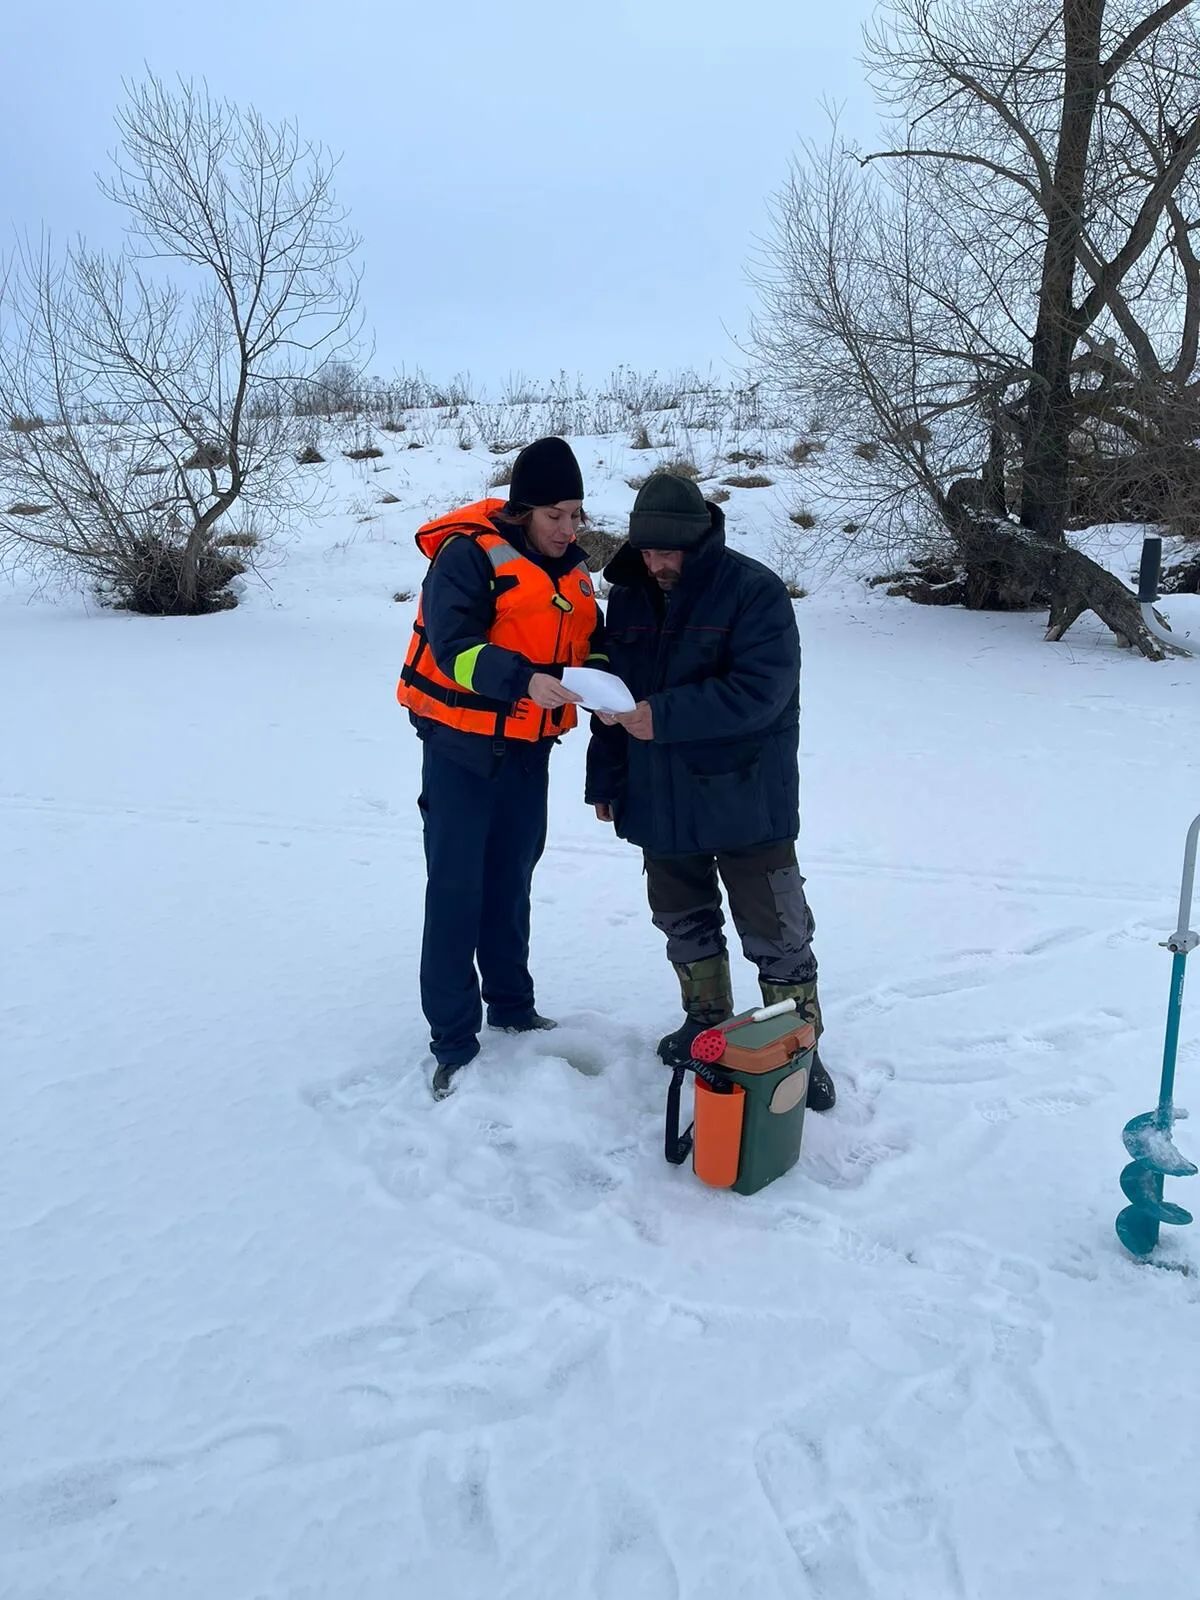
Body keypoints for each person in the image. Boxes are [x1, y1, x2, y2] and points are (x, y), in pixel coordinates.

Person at [585, 472, 835, 1112]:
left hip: (747, 795)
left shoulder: (754, 592)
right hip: (659, 796)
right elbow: (611, 697)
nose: (655, 562)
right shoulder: (631, 596)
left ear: (700, 541)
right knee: (681, 918)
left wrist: (661, 716)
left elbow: (761, 692)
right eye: (646, 550)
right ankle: (706, 1021)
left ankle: (796, 1047)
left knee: (776, 927)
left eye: (667, 551)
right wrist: (608, 777)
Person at [397, 436, 606, 1098]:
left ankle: (513, 1008)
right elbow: (454, 648)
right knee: (457, 891)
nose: (569, 528)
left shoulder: (571, 571)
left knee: (512, 881)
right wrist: (524, 680)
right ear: (523, 511)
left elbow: (590, 640)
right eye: (556, 515)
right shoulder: (466, 557)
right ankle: (454, 1042)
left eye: (576, 514)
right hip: (461, 750)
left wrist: (598, 680)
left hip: (528, 752)